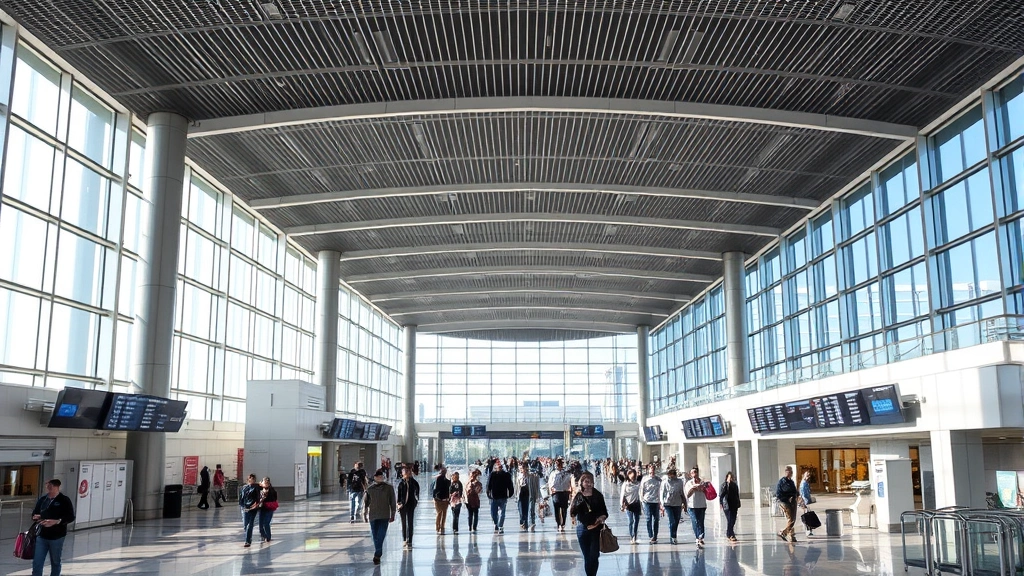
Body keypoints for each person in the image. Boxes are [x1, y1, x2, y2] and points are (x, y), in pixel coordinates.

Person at [30, 478, 75, 576]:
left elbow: (70, 516)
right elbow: (35, 512)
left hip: (56, 537)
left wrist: (57, 521)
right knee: (37, 562)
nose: (49, 487)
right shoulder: (43, 499)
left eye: (52, 485)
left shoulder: (64, 500)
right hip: (41, 535)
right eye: (48, 485)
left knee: (55, 561)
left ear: (57, 487)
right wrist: (36, 517)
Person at [569, 472, 608, 576]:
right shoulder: (578, 496)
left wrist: (601, 517)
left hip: (596, 528)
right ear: (581, 483)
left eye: (591, 481)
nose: (589, 484)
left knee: (594, 555)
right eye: (586, 481)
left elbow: (604, 511)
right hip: (582, 529)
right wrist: (575, 500)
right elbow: (572, 512)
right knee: (587, 556)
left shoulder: (598, 495)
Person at [365, 468, 397, 564]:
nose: (379, 478)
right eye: (378, 477)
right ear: (374, 478)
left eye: (381, 476)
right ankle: (378, 552)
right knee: (375, 535)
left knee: (381, 534)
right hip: (373, 515)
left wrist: (393, 513)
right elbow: (365, 503)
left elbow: (392, 501)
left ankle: (378, 554)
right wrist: (364, 514)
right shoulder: (370, 489)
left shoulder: (389, 488)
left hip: (384, 515)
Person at [487, 459, 515, 534]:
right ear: (495, 468)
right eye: (497, 467)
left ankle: (500, 526)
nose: (499, 468)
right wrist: (488, 493)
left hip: (503, 497)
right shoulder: (492, 475)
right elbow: (488, 485)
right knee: (493, 513)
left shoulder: (506, 475)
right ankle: (496, 523)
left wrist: (511, 493)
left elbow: (510, 485)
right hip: (494, 497)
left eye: (500, 467)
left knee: (503, 513)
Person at [660, 468, 686, 544]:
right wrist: (662, 505)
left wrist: (684, 503)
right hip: (668, 504)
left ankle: (674, 534)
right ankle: (673, 537)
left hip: (677, 503)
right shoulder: (665, 482)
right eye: (670, 476)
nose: (672, 478)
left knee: (677, 521)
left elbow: (682, 492)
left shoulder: (680, 482)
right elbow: (662, 494)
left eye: (673, 476)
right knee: (672, 520)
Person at [683, 467, 708, 548]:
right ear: (690, 475)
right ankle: (698, 537)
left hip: (702, 505)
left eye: (695, 472)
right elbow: (687, 495)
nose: (694, 474)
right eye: (692, 473)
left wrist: (703, 488)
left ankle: (701, 537)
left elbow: (708, 492)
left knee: (701, 521)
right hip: (692, 506)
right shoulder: (689, 483)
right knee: (695, 521)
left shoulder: (703, 482)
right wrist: (693, 489)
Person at [397, 465, 420, 549]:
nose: (407, 473)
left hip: (411, 504)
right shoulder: (401, 483)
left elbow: (417, 493)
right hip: (402, 506)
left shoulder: (413, 482)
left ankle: (410, 540)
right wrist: (399, 504)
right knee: (404, 523)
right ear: (402, 473)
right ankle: (404, 539)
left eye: (409, 472)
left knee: (410, 522)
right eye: (405, 472)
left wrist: (416, 501)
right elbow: (399, 495)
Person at [548, 458, 573, 532]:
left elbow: (570, 481)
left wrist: (571, 491)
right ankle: (558, 523)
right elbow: (550, 483)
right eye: (557, 464)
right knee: (557, 509)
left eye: (559, 464)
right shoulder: (553, 473)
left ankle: (563, 523)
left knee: (564, 508)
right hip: (556, 492)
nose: (558, 465)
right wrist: (550, 491)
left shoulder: (567, 473)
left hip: (565, 492)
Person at [775, 466, 800, 543]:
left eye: (792, 472)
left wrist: (797, 495)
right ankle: (783, 533)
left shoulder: (791, 482)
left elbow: (794, 491)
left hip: (792, 502)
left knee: (792, 519)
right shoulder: (782, 482)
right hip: (785, 502)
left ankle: (791, 536)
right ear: (786, 472)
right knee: (791, 519)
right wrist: (788, 498)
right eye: (790, 472)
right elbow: (781, 493)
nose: (791, 473)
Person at [640, 464, 661, 543]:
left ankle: (655, 535)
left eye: (653, 470)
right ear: (648, 471)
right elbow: (641, 490)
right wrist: (642, 501)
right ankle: (650, 535)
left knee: (656, 519)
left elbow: (661, 491)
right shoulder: (645, 479)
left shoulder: (658, 480)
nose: (652, 472)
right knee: (648, 518)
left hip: (656, 501)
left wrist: (661, 502)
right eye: (650, 471)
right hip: (647, 501)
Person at [619, 468, 642, 544]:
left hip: (636, 504)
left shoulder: (638, 483)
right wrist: (622, 505)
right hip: (628, 505)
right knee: (631, 521)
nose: (633, 478)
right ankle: (631, 536)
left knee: (636, 521)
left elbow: (641, 491)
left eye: (634, 477)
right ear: (628, 476)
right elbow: (622, 495)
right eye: (631, 477)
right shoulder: (625, 484)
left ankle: (635, 535)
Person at [516, 462, 540, 531]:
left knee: (527, 509)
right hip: (520, 494)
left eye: (522, 468)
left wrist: (537, 496)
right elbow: (516, 487)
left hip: (528, 494)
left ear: (526, 468)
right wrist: (516, 495)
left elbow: (535, 486)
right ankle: (522, 521)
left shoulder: (531, 476)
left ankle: (526, 523)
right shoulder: (518, 476)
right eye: (520, 468)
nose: (521, 469)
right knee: (521, 510)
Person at [239, 473, 261, 547]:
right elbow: (241, 497)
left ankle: (248, 541)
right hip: (246, 507)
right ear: (248, 480)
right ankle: (249, 537)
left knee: (250, 524)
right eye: (250, 479)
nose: (252, 480)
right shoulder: (244, 488)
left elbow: (259, 495)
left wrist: (256, 505)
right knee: (245, 525)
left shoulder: (256, 487)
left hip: (253, 508)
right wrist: (242, 506)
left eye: (253, 479)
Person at [719, 471, 741, 542]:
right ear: (727, 478)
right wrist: (721, 503)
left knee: (733, 520)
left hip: (734, 505)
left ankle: (728, 533)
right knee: (730, 519)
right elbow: (721, 495)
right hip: (727, 505)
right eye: (730, 477)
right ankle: (731, 534)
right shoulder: (724, 485)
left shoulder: (735, 485)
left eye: (732, 478)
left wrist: (738, 503)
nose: (731, 479)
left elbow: (737, 495)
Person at [432, 466, 452, 534]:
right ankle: (441, 527)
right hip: (442, 499)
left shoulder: (440, 479)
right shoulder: (441, 479)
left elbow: (435, 489)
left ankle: (439, 527)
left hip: (440, 499)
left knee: (440, 513)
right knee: (442, 514)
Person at [258, 477, 278, 543]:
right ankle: (263, 535)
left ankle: (268, 537)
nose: (266, 484)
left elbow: (274, 498)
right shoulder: (260, 490)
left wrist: (266, 494)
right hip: (262, 508)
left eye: (267, 482)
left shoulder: (272, 490)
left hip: (269, 508)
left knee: (266, 523)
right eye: (264, 482)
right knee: (261, 524)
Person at [466, 468, 483, 533]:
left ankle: (471, 527)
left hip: (471, 500)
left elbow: (476, 491)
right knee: (474, 514)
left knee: (471, 514)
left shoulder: (470, 483)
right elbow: (478, 491)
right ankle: (473, 527)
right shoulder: (477, 483)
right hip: (474, 500)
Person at [799, 470, 815, 536]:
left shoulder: (805, 483)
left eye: (809, 476)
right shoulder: (804, 483)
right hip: (805, 502)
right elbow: (803, 494)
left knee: (808, 516)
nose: (808, 477)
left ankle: (809, 529)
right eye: (807, 475)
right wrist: (806, 502)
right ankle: (808, 530)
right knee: (807, 516)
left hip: (806, 502)